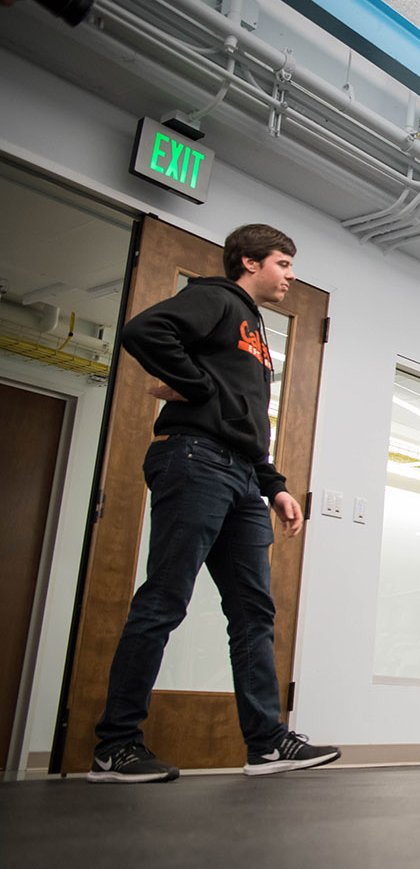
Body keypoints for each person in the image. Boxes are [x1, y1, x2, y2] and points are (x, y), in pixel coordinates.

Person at [89, 224, 340, 783]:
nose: (290, 276)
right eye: (283, 263)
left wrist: (273, 483)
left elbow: (248, 421)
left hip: (241, 476)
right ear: (250, 262)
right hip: (196, 461)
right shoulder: (217, 299)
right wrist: (198, 385)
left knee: (254, 611)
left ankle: (267, 742)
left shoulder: (257, 333)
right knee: (164, 601)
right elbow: (144, 331)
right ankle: (116, 745)